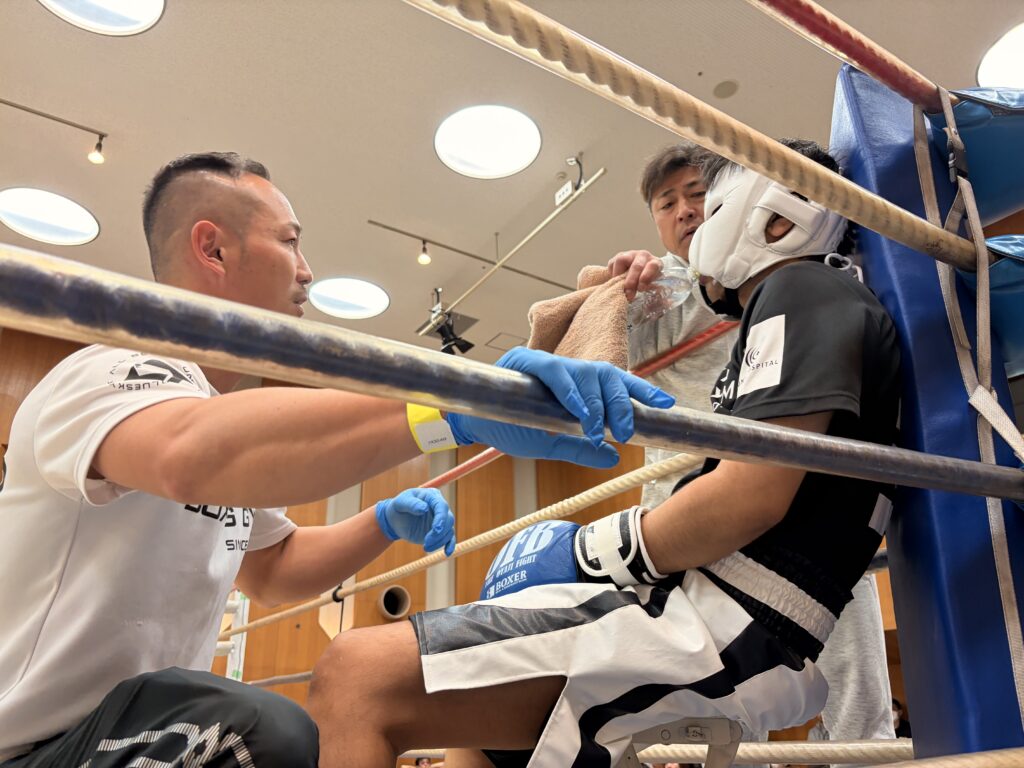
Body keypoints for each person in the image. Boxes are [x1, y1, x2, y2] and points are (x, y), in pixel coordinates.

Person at [0, 152, 675, 767]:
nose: (307, 270)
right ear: (213, 248)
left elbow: (272, 568)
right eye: (289, 241)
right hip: (33, 748)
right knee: (263, 733)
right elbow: (186, 453)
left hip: (128, 739)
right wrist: (446, 409)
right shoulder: (108, 371)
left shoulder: (216, 421)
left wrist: (382, 522)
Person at [306, 139, 902, 768]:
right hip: (713, 600)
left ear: (775, 217)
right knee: (479, 738)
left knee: (356, 674)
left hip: (727, 616)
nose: (694, 217)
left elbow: (750, 496)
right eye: (671, 203)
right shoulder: (787, 301)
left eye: (708, 198)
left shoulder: (801, 289)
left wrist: (588, 553)